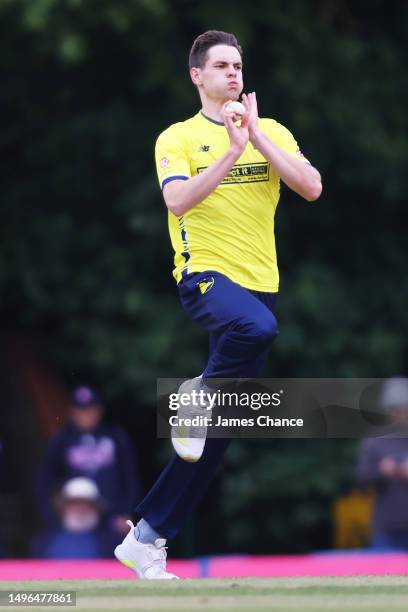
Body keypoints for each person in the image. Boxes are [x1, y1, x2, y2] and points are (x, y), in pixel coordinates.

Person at [115, 30, 322, 579]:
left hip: (260, 282)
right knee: (259, 329)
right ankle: (197, 394)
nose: (233, 73)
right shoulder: (177, 137)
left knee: (220, 433)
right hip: (205, 275)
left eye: (238, 65)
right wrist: (230, 151)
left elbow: (310, 186)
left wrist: (255, 138)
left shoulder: (269, 130)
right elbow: (177, 199)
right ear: (197, 77)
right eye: (221, 65)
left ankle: (146, 537)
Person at [37, 386, 141, 536]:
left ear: (99, 410)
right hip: (75, 519)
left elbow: (130, 477)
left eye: (90, 409)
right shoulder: (61, 441)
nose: (86, 415)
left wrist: (127, 513)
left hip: (113, 519)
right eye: (80, 410)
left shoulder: (116, 436)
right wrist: (52, 518)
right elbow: (46, 480)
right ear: (72, 413)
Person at [356, 377, 408, 549]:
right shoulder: (375, 441)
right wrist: (382, 471)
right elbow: (362, 479)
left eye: (401, 409)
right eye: (393, 409)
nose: (396, 414)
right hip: (387, 529)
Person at [31, 477, 119, 558]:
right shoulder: (43, 543)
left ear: (96, 507)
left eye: (86, 504)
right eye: (74, 503)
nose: (80, 509)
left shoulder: (114, 544)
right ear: (63, 507)